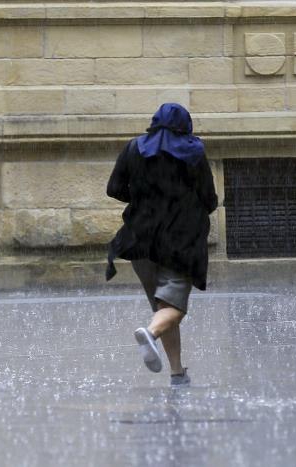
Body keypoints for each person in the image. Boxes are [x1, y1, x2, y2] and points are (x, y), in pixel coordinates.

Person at [106, 103, 218, 387]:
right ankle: (150, 333)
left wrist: (145, 198)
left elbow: (114, 189)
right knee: (175, 308)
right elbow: (208, 197)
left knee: (164, 307)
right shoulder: (193, 152)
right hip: (180, 241)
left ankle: (177, 373)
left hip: (141, 239)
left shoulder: (134, 148)